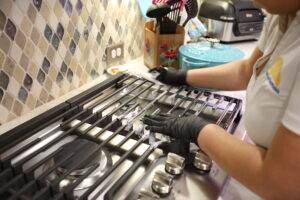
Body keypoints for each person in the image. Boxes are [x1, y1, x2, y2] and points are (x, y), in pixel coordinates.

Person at [143, 0, 300, 199]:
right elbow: (246, 71)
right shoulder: (281, 16)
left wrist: (198, 129)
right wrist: (183, 76)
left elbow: (280, 182)